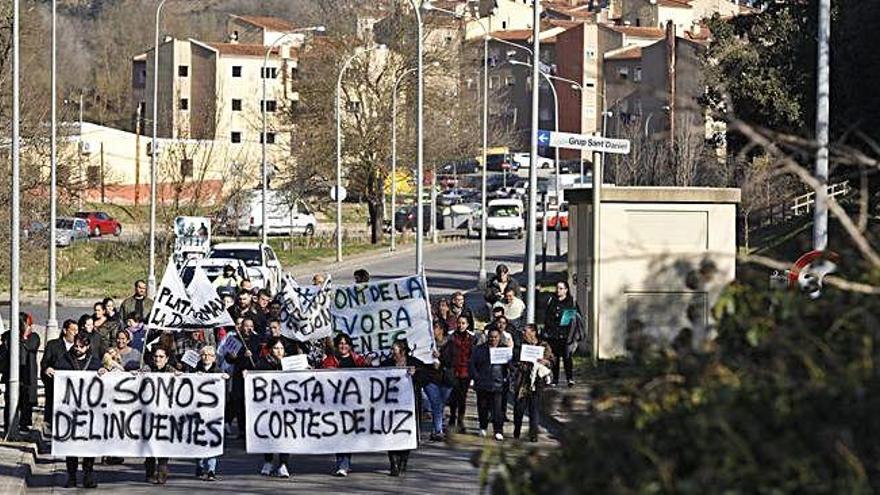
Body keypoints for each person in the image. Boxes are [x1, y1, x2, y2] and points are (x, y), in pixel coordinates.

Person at [54, 333, 106, 488]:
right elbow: (57, 375)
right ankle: (71, 476)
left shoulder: (95, 362)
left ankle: (88, 475)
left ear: (87, 346)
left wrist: (103, 372)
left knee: (89, 445)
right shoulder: (64, 360)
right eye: (75, 346)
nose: (77, 349)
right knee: (71, 444)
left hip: (90, 412)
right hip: (70, 411)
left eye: (81, 346)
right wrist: (50, 371)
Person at [322, 334, 368, 476]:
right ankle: (342, 462)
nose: (343, 346)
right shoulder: (329, 361)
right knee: (338, 433)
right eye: (341, 343)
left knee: (348, 433)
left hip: (353, 404)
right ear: (336, 345)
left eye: (346, 343)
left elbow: (370, 374)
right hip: (335, 404)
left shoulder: (359, 360)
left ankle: (344, 462)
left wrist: (368, 364)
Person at [381, 340, 421, 476]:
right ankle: (394, 464)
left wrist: (416, 374)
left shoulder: (414, 362)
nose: (392, 352)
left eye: (394, 350)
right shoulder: (387, 364)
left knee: (406, 433)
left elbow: (427, 376)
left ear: (402, 351)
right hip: (391, 406)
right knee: (391, 433)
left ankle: (403, 459)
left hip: (409, 405)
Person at [257, 337, 293, 478]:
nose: (279, 351)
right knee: (269, 432)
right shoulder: (263, 363)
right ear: (271, 349)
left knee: (285, 434)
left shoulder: (290, 363)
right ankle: (268, 461)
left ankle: (283, 464)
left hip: (286, 405)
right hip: (268, 405)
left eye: (281, 348)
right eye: (276, 348)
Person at [512, 324, 554, 442]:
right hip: (523, 381)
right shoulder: (521, 346)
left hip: (537, 382)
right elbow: (514, 360)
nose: (523, 333)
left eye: (525, 331)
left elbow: (551, 360)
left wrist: (545, 361)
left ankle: (533, 434)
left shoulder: (543, 345)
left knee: (534, 409)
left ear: (533, 332)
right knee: (519, 408)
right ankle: (517, 430)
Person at [0, 313, 41, 431]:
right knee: (11, 399)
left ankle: (24, 423)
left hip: (27, 372)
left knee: (26, 399)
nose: (31, 327)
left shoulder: (34, 337)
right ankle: (10, 423)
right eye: (28, 325)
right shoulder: (8, 336)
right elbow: (7, 349)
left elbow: (31, 346)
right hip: (12, 372)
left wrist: (23, 337)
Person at [141, 347, 176, 484]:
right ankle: (149, 471)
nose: (157, 359)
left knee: (162, 442)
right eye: (156, 356)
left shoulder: (172, 371)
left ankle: (162, 469)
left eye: (161, 357)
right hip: (148, 413)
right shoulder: (146, 369)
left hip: (165, 414)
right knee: (149, 442)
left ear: (166, 359)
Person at [469, 328, 509, 441]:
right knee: (482, 407)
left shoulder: (504, 349)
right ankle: (483, 427)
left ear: (499, 337)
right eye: (491, 337)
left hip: (498, 384)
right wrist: (476, 377)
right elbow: (472, 364)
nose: (493, 339)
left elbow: (509, 366)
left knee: (497, 409)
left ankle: (498, 430)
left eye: (495, 337)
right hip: (482, 383)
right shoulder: (479, 349)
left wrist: (506, 377)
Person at [225, 318, 262, 439]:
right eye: (246, 326)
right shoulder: (235, 339)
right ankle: (241, 430)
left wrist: (253, 356)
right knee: (239, 401)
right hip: (238, 374)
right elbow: (228, 359)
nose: (249, 328)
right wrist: (235, 356)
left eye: (251, 326)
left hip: (252, 374)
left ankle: (252, 429)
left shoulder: (257, 339)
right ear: (241, 327)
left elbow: (260, 356)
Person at [192, 345, 225, 481]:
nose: (206, 357)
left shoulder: (218, 371)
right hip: (197, 411)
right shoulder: (194, 370)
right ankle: (199, 465)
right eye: (204, 355)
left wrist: (223, 378)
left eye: (209, 355)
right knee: (199, 440)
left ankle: (211, 469)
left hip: (213, 412)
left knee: (212, 439)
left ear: (214, 358)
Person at [40, 319, 78, 430]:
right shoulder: (53, 345)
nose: (76, 333)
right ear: (65, 330)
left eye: (77, 330)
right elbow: (44, 363)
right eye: (73, 330)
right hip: (55, 387)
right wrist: (47, 369)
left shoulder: (80, 346)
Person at [542, 280, 577, 387]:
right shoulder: (552, 300)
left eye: (561, 288)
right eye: (557, 288)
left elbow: (568, 320)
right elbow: (547, 317)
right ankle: (555, 379)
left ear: (566, 290)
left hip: (565, 335)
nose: (558, 290)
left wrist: (559, 320)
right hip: (553, 335)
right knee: (555, 358)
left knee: (567, 357)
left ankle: (569, 378)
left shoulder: (570, 302)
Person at [424, 320, 454, 441]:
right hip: (431, 379)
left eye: (435, 327)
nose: (433, 330)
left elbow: (452, 362)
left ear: (441, 329)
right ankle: (438, 430)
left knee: (440, 405)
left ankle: (435, 428)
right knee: (436, 403)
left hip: (446, 380)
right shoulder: (427, 344)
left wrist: (439, 357)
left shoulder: (450, 344)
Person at [448, 315, 477, 434]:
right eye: (459, 323)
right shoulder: (451, 337)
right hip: (453, 371)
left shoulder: (472, 338)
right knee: (453, 397)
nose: (461, 325)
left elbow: (473, 355)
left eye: (463, 323)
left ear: (467, 325)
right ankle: (452, 417)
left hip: (465, 371)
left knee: (462, 397)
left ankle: (460, 420)